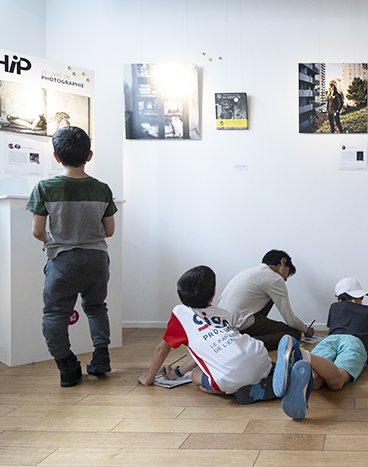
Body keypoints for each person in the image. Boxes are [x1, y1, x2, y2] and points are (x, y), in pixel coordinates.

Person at [25, 126, 117, 387]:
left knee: (55, 315)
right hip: (97, 259)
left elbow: (38, 231)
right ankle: (101, 357)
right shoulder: (102, 188)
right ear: (89, 155)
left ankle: (67, 366)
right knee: (96, 307)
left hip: (63, 260)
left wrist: (50, 242)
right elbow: (109, 231)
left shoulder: (44, 187)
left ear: (56, 156)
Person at [138, 266, 275, 401]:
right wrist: (176, 373)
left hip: (233, 377)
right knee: (243, 361)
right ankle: (271, 376)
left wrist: (149, 378)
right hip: (260, 356)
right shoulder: (224, 313)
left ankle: (243, 391)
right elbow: (208, 354)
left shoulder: (180, 313)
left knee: (196, 376)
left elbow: (162, 348)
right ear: (213, 294)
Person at [272, 278, 368, 419]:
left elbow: (343, 328)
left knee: (317, 380)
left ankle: (301, 358)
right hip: (354, 342)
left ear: (339, 299)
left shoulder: (334, 307)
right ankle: (300, 353)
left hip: (329, 340)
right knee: (337, 381)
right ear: (361, 296)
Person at [216, 249, 314, 350]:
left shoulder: (249, 272)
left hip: (223, 323)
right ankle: (247, 343)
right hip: (240, 322)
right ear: (283, 261)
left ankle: (242, 337)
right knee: (294, 333)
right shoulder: (275, 279)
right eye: (288, 273)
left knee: (270, 297)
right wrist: (305, 329)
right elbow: (291, 321)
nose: (286, 279)